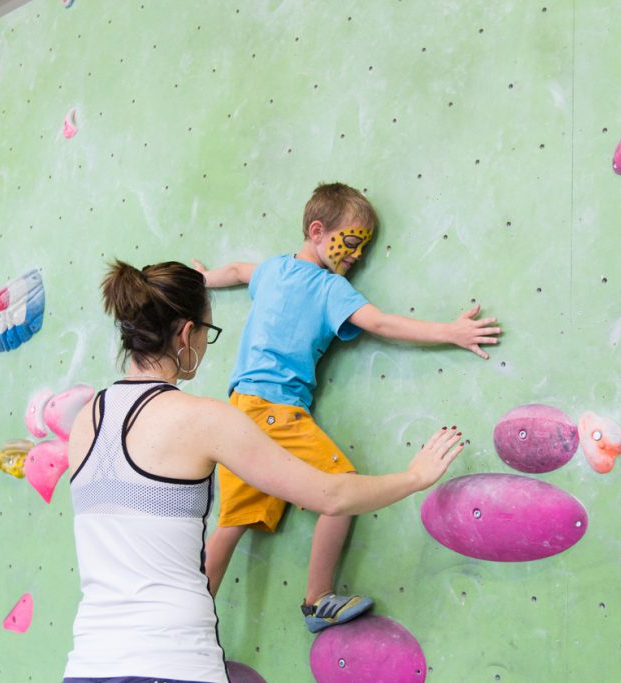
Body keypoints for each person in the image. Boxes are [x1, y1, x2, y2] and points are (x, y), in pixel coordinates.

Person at [62, 259, 465, 683]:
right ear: (185, 334)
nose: (205, 343)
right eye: (207, 332)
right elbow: (331, 496)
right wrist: (415, 477)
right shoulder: (202, 419)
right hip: (173, 663)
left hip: (88, 664)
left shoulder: (85, 420)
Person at [193, 182, 502, 633]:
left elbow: (240, 270)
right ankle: (317, 599)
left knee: (232, 520)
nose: (356, 256)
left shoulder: (275, 270)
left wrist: (203, 279)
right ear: (317, 231)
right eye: (352, 243)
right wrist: (449, 332)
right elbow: (379, 322)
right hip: (276, 410)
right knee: (343, 487)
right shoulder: (328, 287)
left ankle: (187, 616)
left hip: (239, 411)